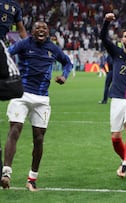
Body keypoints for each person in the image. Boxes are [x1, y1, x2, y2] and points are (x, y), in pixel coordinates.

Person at [1, 21, 73, 191]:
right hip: (22, 94)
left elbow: (68, 62)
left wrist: (64, 76)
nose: (41, 30)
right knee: (15, 129)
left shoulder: (53, 48)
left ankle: (32, 179)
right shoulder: (24, 44)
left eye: (44, 29)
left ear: (48, 32)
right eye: (37, 28)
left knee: (39, 138)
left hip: (42, 98)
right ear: (32, 32)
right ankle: (6, 173)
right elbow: (6, 54)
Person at [100, 13, 126, 178]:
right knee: (116, 138)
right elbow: (102, 37)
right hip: (117, 98)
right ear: (122, 40)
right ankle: (125, 159)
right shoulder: (116, 53)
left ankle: (125, 164)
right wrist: (106, 22)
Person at [0, 0, 27, 180]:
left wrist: (29, 44)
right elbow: (17, 89)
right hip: (1, 49)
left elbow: (21, 28)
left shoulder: (14, 6)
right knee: (16, 86)